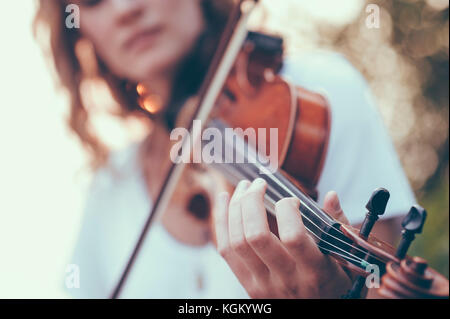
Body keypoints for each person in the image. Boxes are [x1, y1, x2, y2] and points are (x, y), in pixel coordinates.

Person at [34, 0, 416, 298]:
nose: (126, 8)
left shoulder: (319, 96)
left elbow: (380, 287)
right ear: (78, 32)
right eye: (95, 0)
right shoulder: (109, 189)